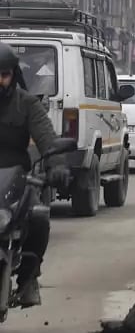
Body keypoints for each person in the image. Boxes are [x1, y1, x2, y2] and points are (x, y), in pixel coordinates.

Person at [0, 42, 69, 307]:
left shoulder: (27, 104)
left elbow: (46, 136)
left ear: (13, 75)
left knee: (39, 218)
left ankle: (28, 279)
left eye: (4, 75)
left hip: (16, 180)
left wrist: (58, 165)